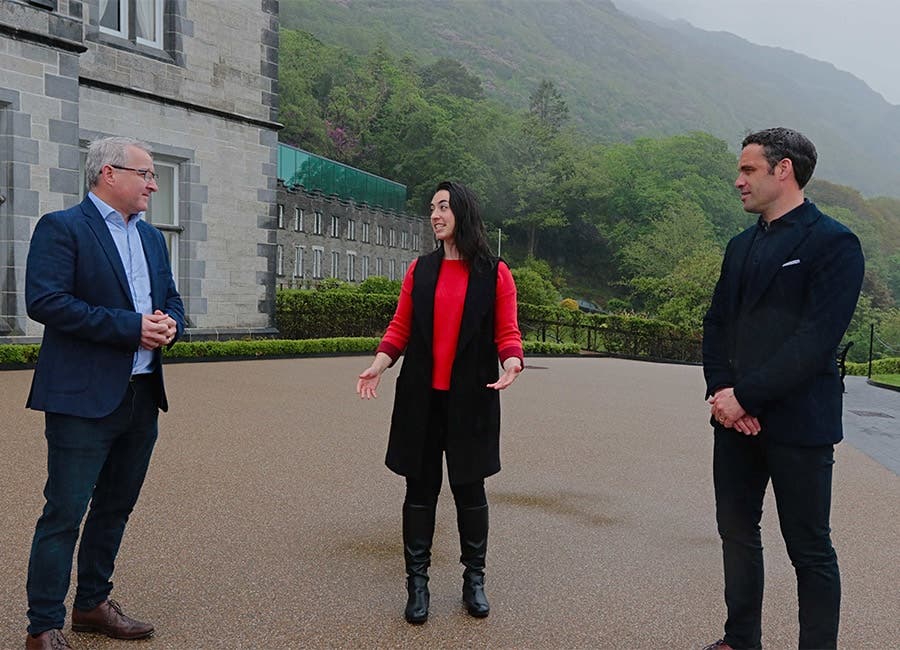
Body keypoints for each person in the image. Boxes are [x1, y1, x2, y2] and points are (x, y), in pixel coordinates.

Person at [701, 128, 864, 650]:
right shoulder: (740, 245)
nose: (738, 181)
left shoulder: (834, 243)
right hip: (733, 421)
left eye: (748, 170)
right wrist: (723, 391)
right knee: (736, 534)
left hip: (800, 424)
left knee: (810, 549)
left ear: (783, 169)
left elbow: (814, 341)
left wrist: (745, 397)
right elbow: (717, 324)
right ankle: (740, 639)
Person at [23, 136, 184, 650]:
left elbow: (173, 300)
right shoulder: (62, 227)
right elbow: (45, 301)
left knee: (116, 507)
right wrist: (131, 327)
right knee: (64, 512)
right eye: (146, 174)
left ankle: (92, 604)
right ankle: (43, 625)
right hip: (81, 399)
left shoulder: (153, 239)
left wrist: (170, 324)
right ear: (108, 173)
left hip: (141, 395)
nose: (154, 184)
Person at [357, 180, 523, 624]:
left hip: (473, 398)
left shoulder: (495, 272)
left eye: (444, 206)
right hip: (422, 399)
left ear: (463, 212)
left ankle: (474, 581)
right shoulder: (420, 270)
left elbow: (507, 333)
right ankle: (417, 585)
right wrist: (380, 364)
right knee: (420, 490)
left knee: (471, 489)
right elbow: (400, 327)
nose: (435, 214)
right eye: (432, 207)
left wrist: (512, 364)